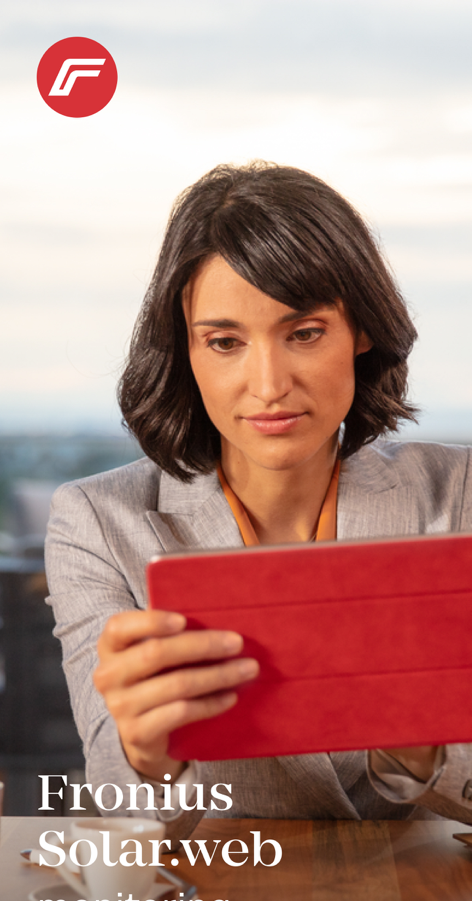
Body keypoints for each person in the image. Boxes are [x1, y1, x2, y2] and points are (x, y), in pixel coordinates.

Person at [45, 162, 472, 843]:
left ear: (361, 330)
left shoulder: (458, 497)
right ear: (185, 350)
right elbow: (113, 815)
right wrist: (146, 759)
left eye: (304, 333)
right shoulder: (98, 522)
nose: (269, 384)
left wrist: (423, 746)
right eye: (224, 342)